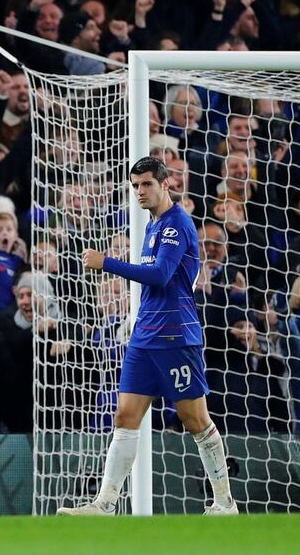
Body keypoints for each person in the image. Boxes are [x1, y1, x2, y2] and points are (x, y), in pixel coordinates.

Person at [58, 156, 237, 515]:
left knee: (195, 420)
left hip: (175, 336)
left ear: (164, 184)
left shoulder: (176, 225)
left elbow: (160, 275)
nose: (140, 192)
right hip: (145, 336)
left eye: (146, 184)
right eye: (135, 186)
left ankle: (224, 502)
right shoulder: (152, 225)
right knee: (125, 415)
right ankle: (105, 504)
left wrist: (106, 262)